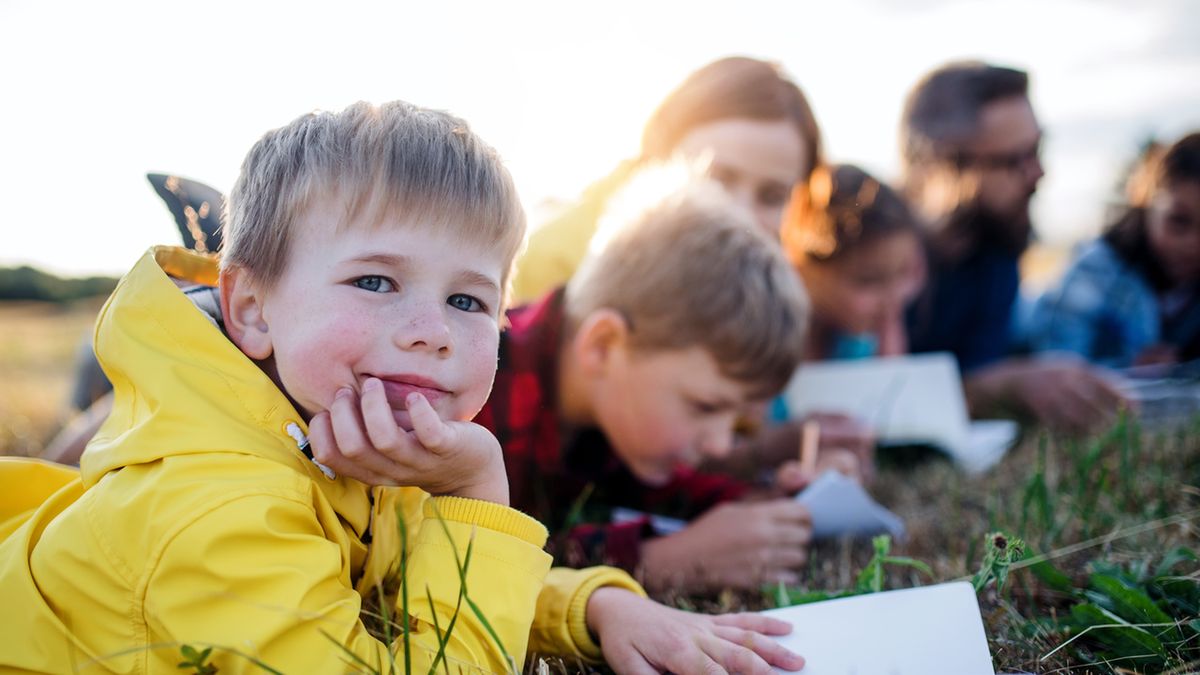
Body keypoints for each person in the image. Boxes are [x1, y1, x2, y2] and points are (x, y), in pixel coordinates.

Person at [0, 102, 805, 674]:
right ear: (250, 306)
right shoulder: (216, 511)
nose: (434, 330)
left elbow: (403, 575)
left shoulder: (337, 430)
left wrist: (593, 605)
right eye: (376, 280)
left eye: (468, 300)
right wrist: (480, 489)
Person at [313, 168, 844, 596]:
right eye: (706, 406)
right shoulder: (467, 392)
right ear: (604, 346)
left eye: (737, 419)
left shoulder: (612, 407)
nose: (720, 442)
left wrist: (760, 501)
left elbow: (655, 490)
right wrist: (660, 562)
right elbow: (443, 558)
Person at [899, 60, 1125, 432]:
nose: (1039, 172)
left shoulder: (996, 251)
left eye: (1038, 149)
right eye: (1015, 160)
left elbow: (979, 367)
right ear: (943, 167)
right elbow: (872, 394)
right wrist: (1010, 384)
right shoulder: (875, 254)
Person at [511, 55, 823, 303]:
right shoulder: (553, 264)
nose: (740, 214)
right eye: (716, 179)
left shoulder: (780, 294)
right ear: (660, 150)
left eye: (772, 196)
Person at [1026, 133, 1200, 367]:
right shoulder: (1094, 271)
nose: (1193, 243)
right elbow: (1053, 362)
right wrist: (1129, 370)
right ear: (1146, 202)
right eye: (1179, 221)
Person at [781, 164, 926, 361]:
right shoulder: (774, 338)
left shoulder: (861, 336)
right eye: (869, 281)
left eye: (903, 272)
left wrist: (889, 331)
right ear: (804, 270)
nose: (892, 298)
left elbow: (891, 375)